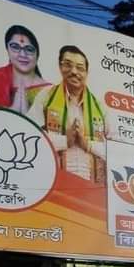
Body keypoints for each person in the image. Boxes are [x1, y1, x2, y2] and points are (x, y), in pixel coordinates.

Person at [27, 45, 107, 183]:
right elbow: (28, 136)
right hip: (53, 184)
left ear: (87, 73)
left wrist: (87, 144)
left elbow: (117, 151)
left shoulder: (100, 106)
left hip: (92, 191)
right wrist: (65, 141)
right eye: (68, 65)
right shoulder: (46, 96)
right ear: (60, 67)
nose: (74, 72)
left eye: (80, 68)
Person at [0, 24, 46, 114]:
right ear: (7, 49)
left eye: (29, 49)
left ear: (37, 54)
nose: (22, 54)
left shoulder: (49, 91)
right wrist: (10, 113)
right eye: (15, 47)